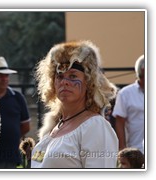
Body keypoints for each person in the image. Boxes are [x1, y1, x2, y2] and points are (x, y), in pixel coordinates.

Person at [31, 40, 118, 168]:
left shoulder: (95, 127)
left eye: (72, 76)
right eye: (60, 76)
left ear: (88, 82)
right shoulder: (53, 127)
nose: (64, 82)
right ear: (53, 83)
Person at [0, 56, 30, 168]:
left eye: (6, 75)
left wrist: (10, 136)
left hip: (11, 158)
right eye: (0, 75)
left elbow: (26, 126)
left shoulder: (17, 97)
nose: (4, 78)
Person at [112, 55, 145, 154]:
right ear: (143, 70)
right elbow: (119, 122)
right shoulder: (125, 93)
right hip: (136, 151)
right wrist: (123, 150)